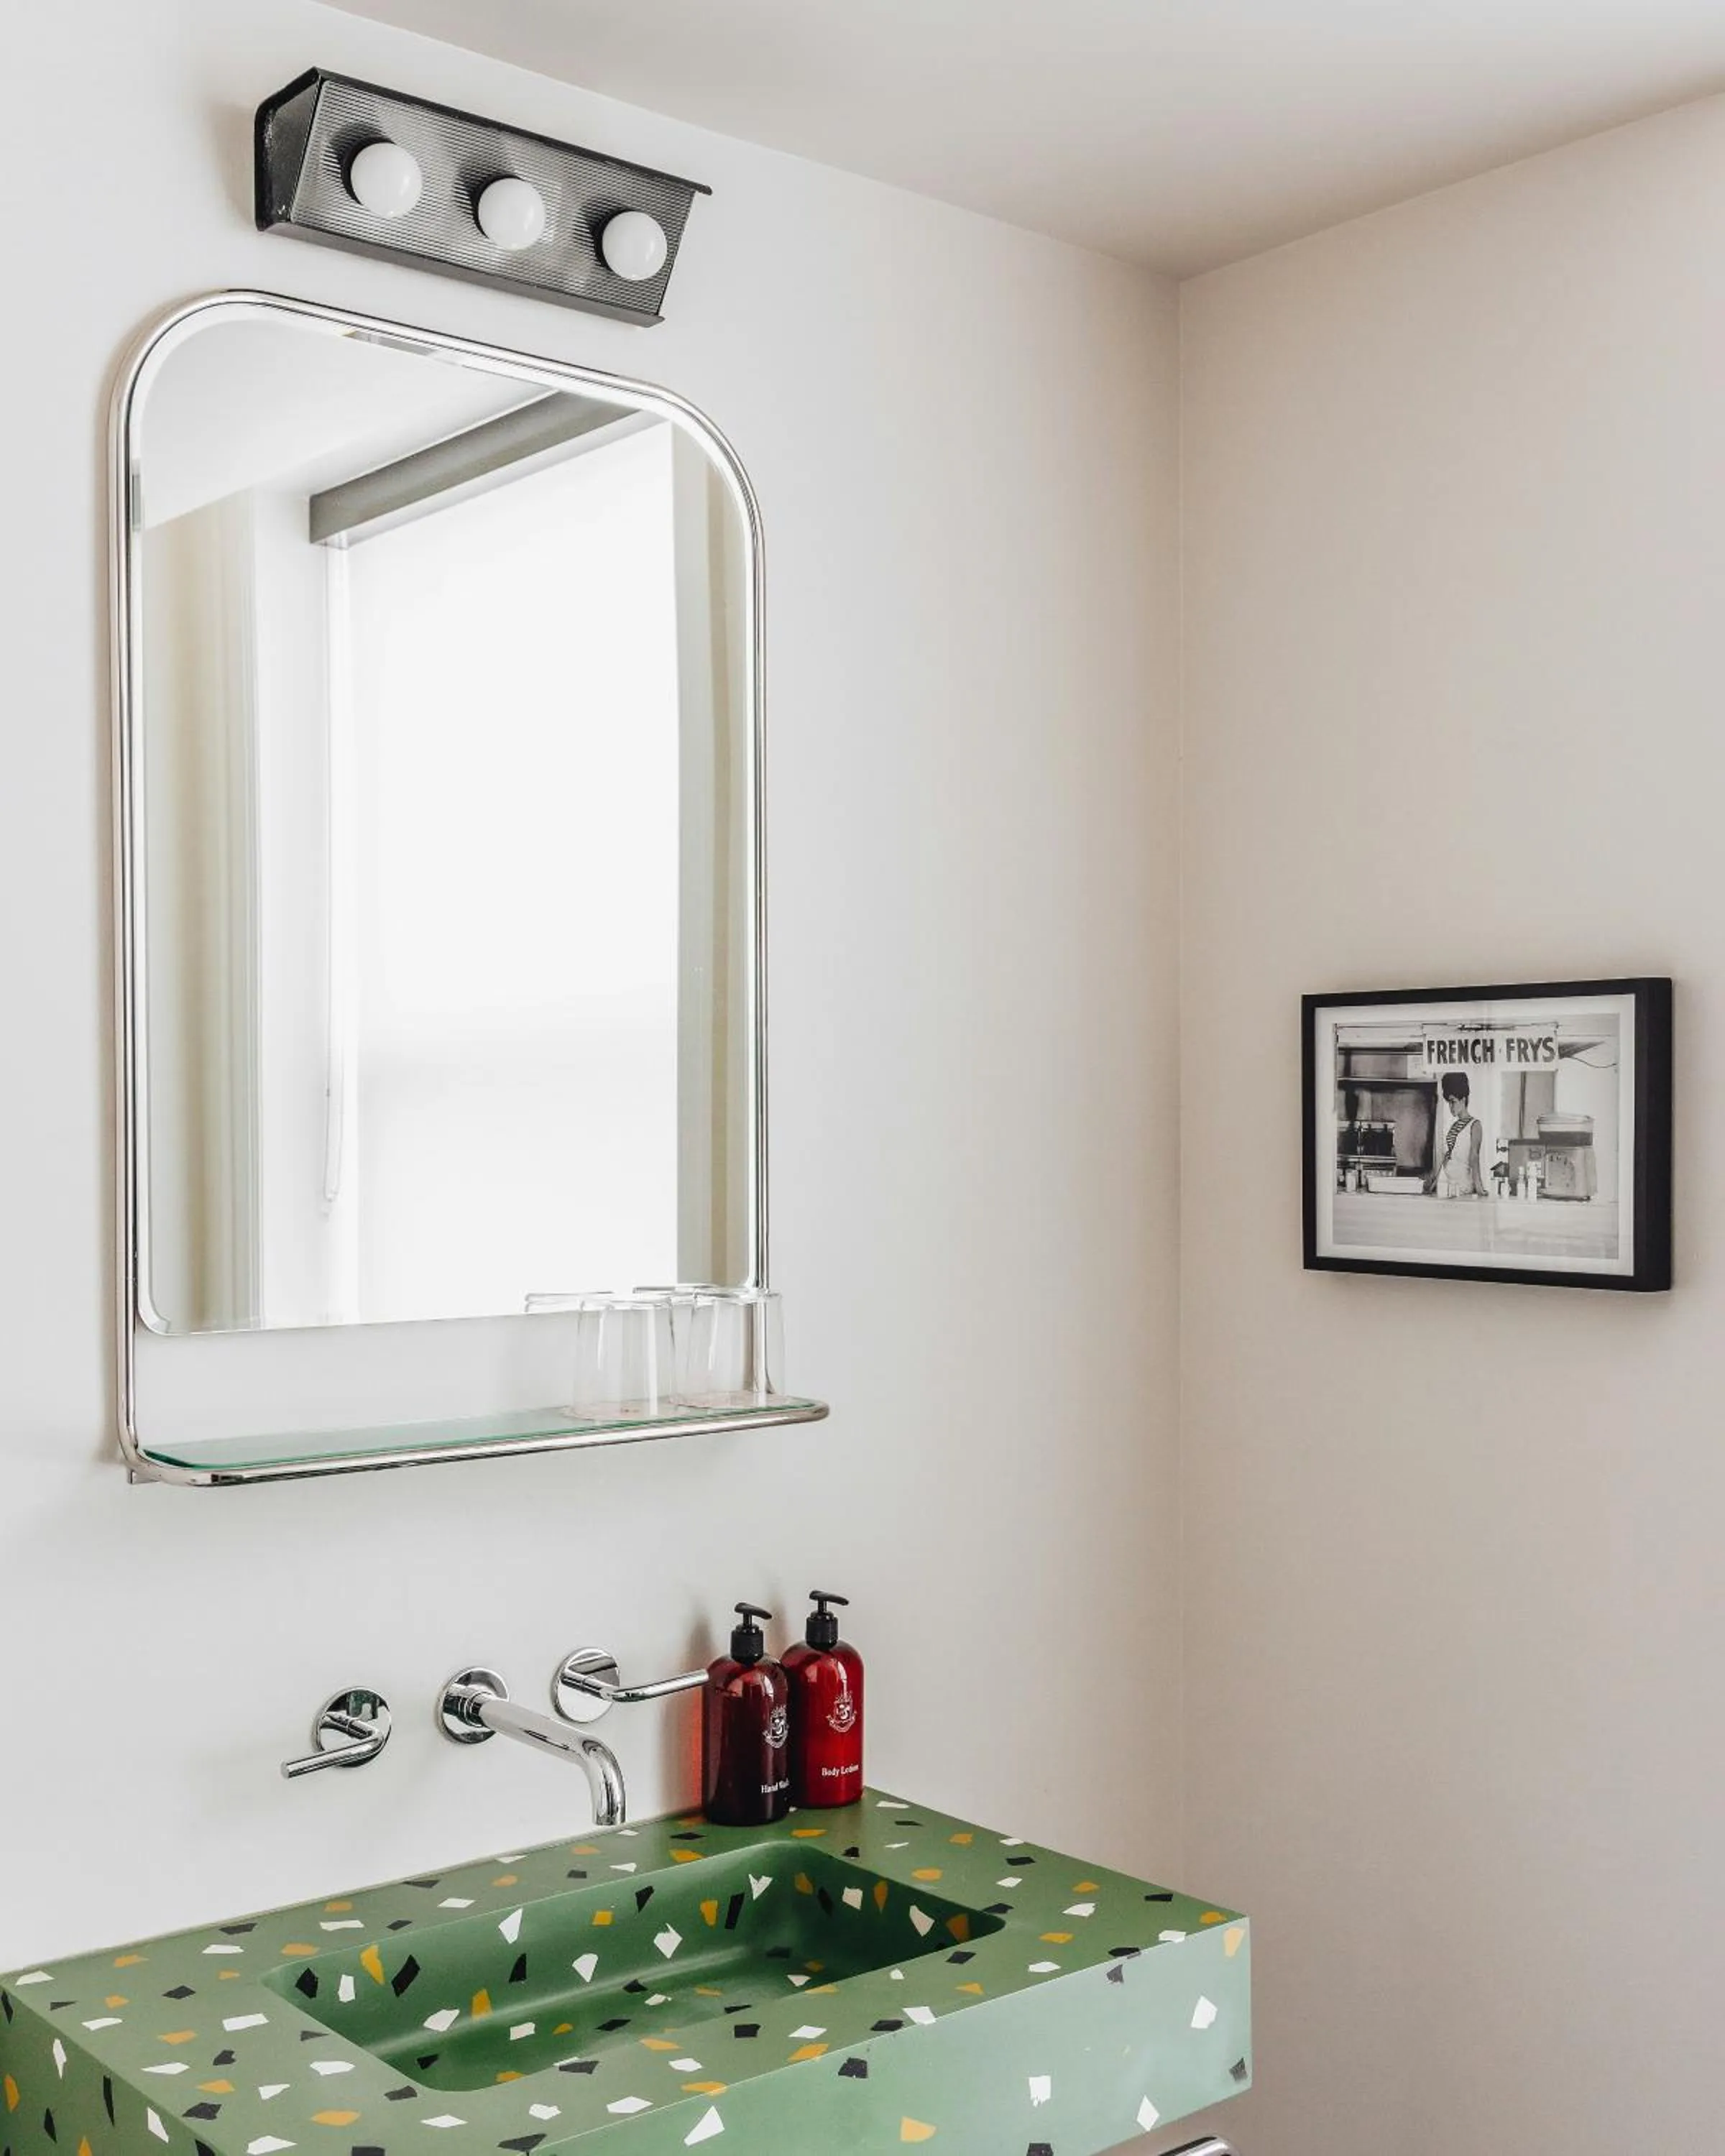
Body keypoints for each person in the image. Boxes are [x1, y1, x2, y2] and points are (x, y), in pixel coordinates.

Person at [1423, 1072, 1487, 1198]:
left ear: (1463, 1099)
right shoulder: (1454, 1126)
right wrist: (1434, 1184)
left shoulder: (1475, 1125)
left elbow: (1474, 1157)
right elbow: (1448, 1156)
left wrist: (1479, 1189)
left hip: (1464, 1188)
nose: (1451, 1107)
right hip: (1448, 1187)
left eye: (1453, 1102)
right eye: (1449, 1103)